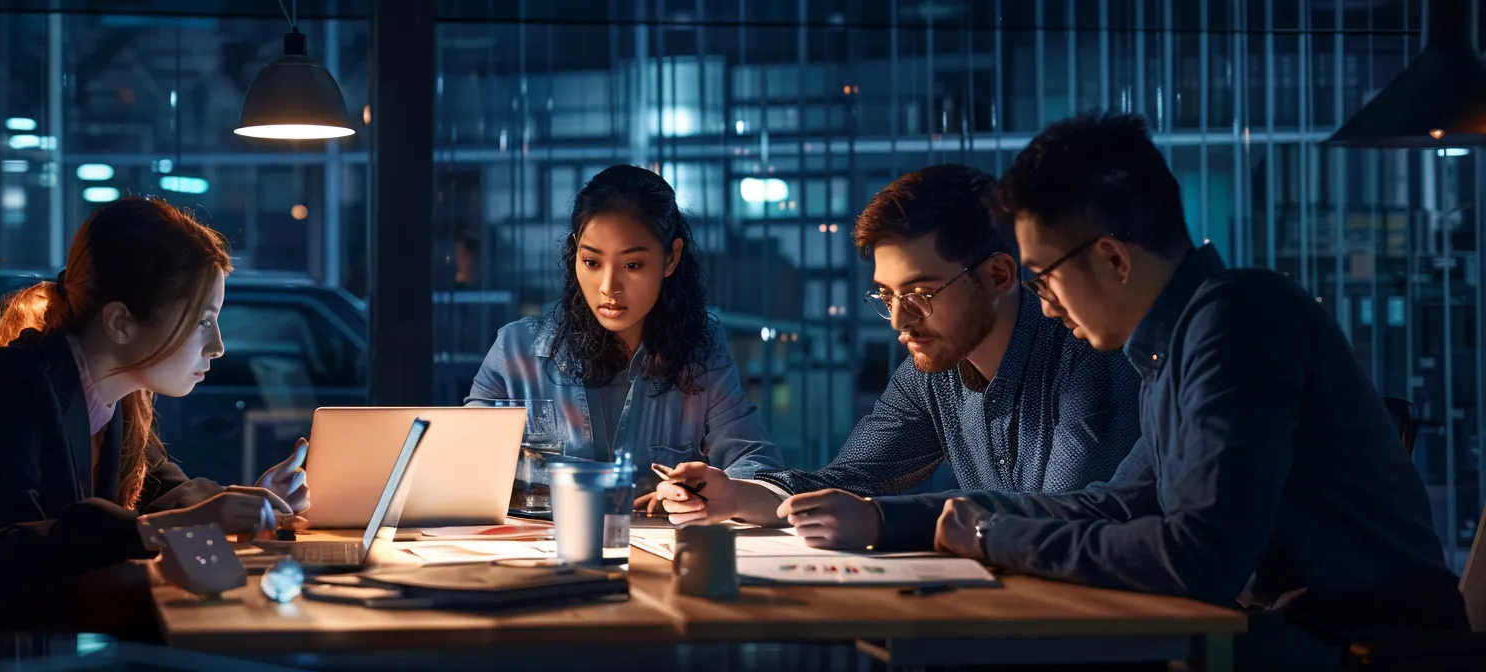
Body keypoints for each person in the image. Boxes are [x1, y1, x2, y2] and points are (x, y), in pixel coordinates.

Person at [857, 113, 1467, 664]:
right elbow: (1118, 504)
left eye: (1044, 279)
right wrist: (894, 521)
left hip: (1371, 650)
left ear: (1113, 260)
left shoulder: (1238, 324)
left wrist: (993, 536)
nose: (1043, 308)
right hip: (1291, 636)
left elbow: (1201, 557)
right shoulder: (1174, 344)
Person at [0, 197, 309, 630]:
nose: (218, 347)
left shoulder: (114, 397)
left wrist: (251, 503)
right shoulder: (3, 388)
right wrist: (182, 527)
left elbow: (164, 496)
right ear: (121, 322)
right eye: (202, 321)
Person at [654, 165, 1142, 535]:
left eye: (920, 295)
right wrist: (735, 494)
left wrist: (880, 519)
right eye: (886, 295)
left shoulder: (1086, 349)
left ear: (998, 276)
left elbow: (1055, 516)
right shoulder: (931, 369)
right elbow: (851, 480)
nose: (898, 321)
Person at [467, 164, 783, 499]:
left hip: (664, 549)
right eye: (591, 262)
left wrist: (717, 492)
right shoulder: (516, 351)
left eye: (632, 265)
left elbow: (756, 466)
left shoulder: (701, 350)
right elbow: (460, 467)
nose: (608, 287)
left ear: (671, 258)